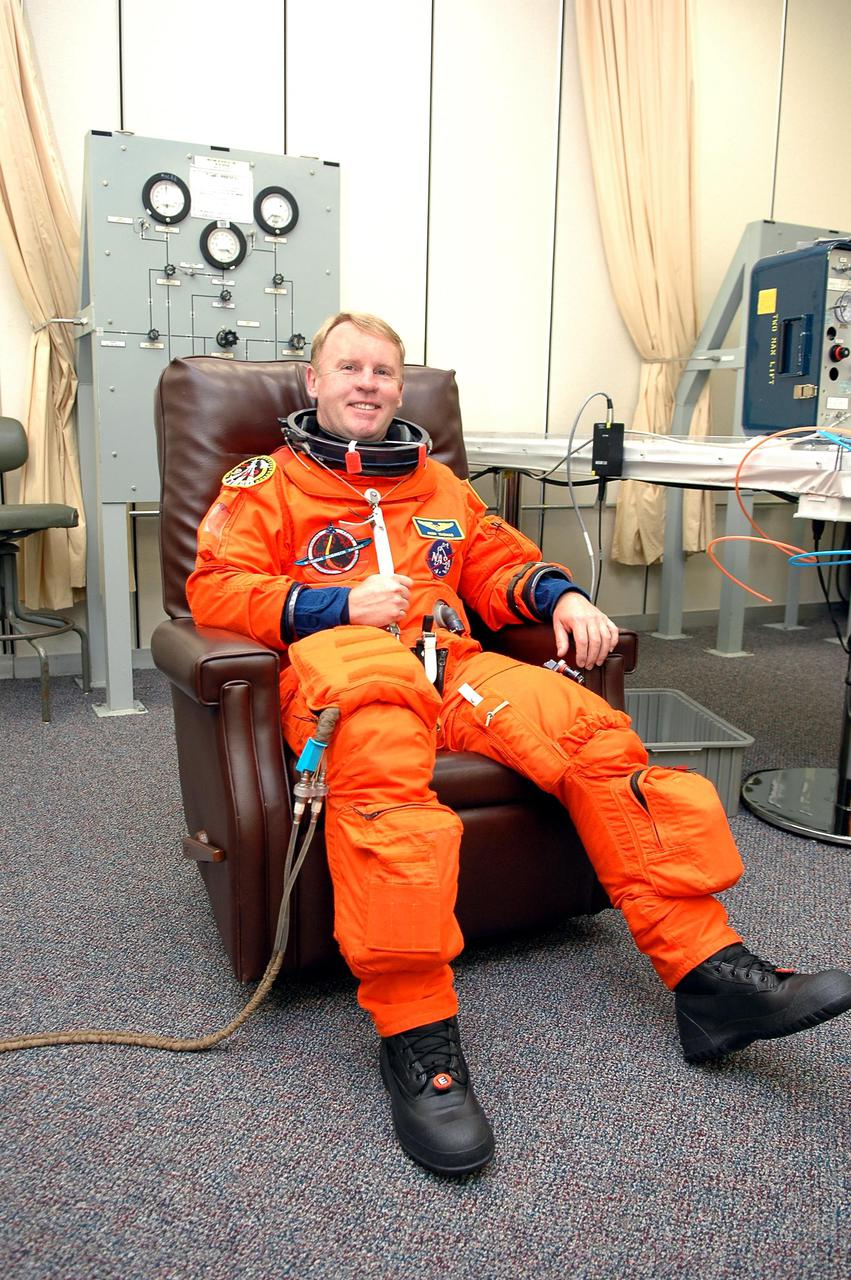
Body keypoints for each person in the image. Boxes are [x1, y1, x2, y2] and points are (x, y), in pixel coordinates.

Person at [187, 312, 851, 1176]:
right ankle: (417, 1039)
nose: (366, 384)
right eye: (347, 368)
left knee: (594, 734)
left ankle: (710, 978)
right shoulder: (264, 485)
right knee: (385, 777)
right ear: (312, 383)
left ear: (400, 387)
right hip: (342, 672)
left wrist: (560, 597)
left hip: (450, 663)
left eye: (383, 372)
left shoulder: (437, 486)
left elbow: (497, 561)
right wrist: (336, 606)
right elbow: (216, 590)